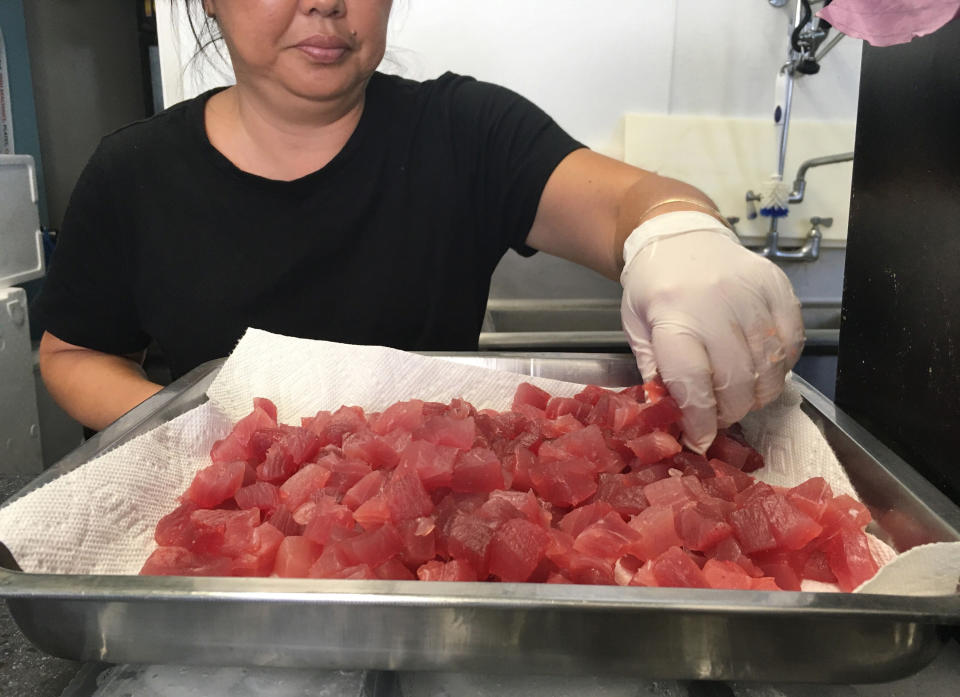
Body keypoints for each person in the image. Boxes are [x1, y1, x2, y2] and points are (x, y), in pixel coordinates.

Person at [34, 0, 804, 453]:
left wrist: (674, 237)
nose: (327, 0)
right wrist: (194, 435)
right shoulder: (132, 173)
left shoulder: (464, 131)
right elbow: (72, 354)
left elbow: (625, 200)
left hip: (427, 539)